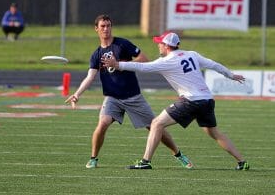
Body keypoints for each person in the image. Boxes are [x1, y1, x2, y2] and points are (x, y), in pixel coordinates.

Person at [102, 31, 250, 170]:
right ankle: (241, 162)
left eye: (160, 43)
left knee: (156, 123)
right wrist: (231, 75)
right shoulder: (191, 54)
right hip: (207, 99)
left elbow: (142, 67)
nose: (158, 45)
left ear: (166, 46)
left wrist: (118, 65)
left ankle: (145, 162)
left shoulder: (167, 61)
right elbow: (213, 64)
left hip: (191, 100)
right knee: (214, 133)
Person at [65, 15, 193, 169]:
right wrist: (77, 94)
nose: (106, 29)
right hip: (112, 98)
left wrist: (120, 64)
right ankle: (93, 158)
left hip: (133, 97)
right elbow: (90, 76)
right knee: (102, 124)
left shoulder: (122, 44)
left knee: (154, 126)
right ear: (96, 29)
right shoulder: (97, 54)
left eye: (108, 25)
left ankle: (179, 154)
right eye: (103, 26)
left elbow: (144, 58)